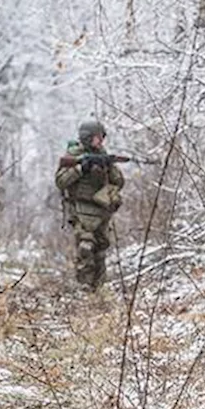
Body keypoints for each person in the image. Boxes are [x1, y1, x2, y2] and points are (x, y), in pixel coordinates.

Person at [54, 120, 124, 290]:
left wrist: (108, 167)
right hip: (81, 210)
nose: (100, 141)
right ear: (87, 138)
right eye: (97, 137)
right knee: (86, 247)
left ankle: (98, 290)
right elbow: (61, 181)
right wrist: (80, 169)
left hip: (101, 211)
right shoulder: (74, 155)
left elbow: (119, 182)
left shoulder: (103, 154)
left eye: (101, 137)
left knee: (100, 249)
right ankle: (84, 287)